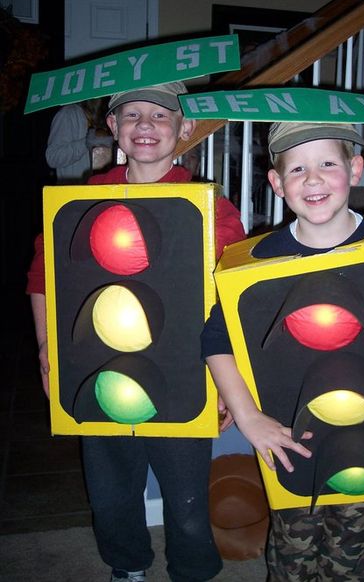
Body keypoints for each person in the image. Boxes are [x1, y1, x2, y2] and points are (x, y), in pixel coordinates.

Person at [201, 121, 364, 581]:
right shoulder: (257, 265)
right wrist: (247, 416)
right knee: (290, 548)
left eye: (328, 163)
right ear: (277, 183)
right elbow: (216, 338)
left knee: (355, 547)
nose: (313, 178)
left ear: (357, 168)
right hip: (292, 436)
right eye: (298, 168)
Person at [27, 82, 246, 582]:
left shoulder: (209, 206)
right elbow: (43, 277)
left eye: (160, 116)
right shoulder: (82, 199)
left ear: (185, 130)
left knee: (187, 496)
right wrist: (47, 348)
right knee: (110, 492)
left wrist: (228, 381)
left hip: (183, 374)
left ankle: (191, 571)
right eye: (132, 116)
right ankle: (126, 565)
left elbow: (228, 295)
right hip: (99, 369)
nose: (145, 126)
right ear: (113, 128)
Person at [46, 98, 113, 183]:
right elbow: (53, 157)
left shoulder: (105, 116)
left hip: (99, 191)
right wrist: (86, 143)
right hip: (73, 192)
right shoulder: (69, 113)